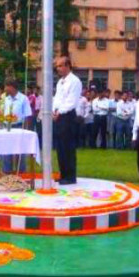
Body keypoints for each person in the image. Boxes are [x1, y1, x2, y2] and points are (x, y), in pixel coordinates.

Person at [52, 56, 82, 185]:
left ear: (68, 66)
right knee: (60, 146)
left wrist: (60, 112)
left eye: (60, 65)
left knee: (68, 147)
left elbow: (71, 101)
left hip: (68, 115)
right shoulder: (60, 82)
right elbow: (57, 98)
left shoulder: (74, 81)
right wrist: (54, 110)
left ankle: (70, 176)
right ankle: (63, 173)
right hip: (59, 115)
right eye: (57, 66)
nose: (58, 68)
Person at [2, 79, 33, 173]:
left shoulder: (23, 98)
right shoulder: (7, 99)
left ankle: (21, 173)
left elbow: (28, 115)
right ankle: (7, 172)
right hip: (7, 127)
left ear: (12, 87)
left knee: (19, 151)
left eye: (6, 86)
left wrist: (26, 130)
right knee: (7, 151)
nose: (5, 89)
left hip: (19, 127)